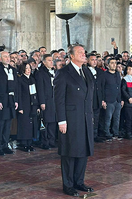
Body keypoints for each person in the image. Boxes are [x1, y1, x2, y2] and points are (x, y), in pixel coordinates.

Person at [54, 44, 94, 197]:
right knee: (70, 151)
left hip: (85, 117)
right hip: (70, 119)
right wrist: (61, 120)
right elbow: (58, 99)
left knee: (83, 150)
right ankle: (68, 184)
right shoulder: (63, 73)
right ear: (71, 56)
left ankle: (79, 181)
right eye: (80, 53)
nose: (84, 55)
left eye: (84, 52)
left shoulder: (87, 71)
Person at [0, 51, 18, 155]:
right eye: (5, 57)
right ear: (0, 59)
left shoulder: (13, 70)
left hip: (11, 100)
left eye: (8, 57)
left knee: (8, 124)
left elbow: (16, 87)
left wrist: (16, 100)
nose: (7, 58)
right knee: (0, 124)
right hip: (1, 100)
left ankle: (5, 144)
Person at [35, 54, 57, 149]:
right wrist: (42, 102)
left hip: (54, 100)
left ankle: (52, 140)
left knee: (53, 121)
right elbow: (40, 89)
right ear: (44, 62)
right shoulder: (40, 73)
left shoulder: (55, 72)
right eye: (49, 60)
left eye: (52, 60)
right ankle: (45, 141)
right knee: (46, 122)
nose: (51, 62)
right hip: (46, 100)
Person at [17, 63, 39, 152]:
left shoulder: (32, 79)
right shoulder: (20, 79)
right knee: (25, 124)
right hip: (24, 105)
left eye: (29, 68)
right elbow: (19, 94)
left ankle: (30, 143)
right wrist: (20, 107)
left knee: (31, 124)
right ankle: (24, 143)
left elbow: (35, 93)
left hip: (32, 104)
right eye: (26, 68)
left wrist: (36, 105)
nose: (28, 70)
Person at [101, 58, 123, 140]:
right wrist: (103, 100)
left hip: (117, 100)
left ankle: (115, 133)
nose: (114, 64)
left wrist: (121, 99)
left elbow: (119, 87)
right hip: (108, 100)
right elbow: (102, 88)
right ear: (108, 64)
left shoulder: (117, 74)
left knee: (117, 118)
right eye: (112, 63)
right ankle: (107, 133)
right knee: (108, 118)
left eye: (115, 63)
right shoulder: (104, 74)